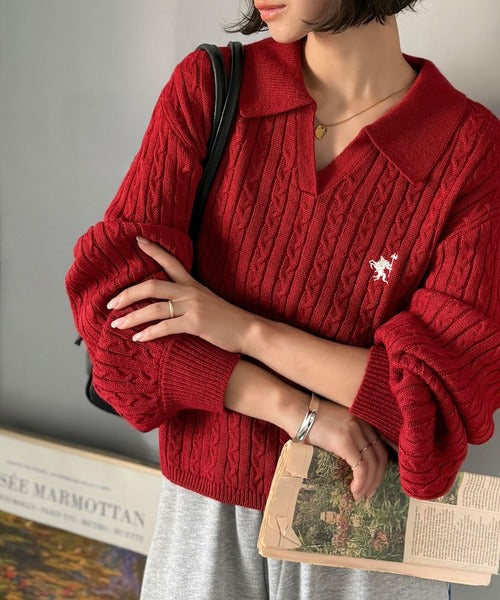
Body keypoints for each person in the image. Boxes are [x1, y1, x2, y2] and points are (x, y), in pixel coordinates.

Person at [66, 1, 499, 598]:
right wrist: (295, 409)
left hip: (366, 541)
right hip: (205, 521)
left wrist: (245, 331)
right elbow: (118, 320)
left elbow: (431, 406)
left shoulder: (470, 152)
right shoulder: (213, 90)